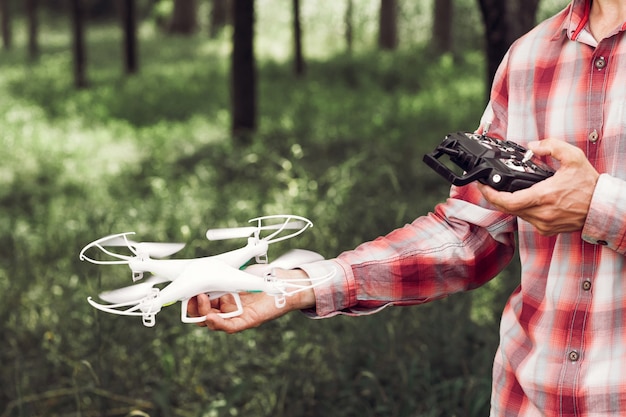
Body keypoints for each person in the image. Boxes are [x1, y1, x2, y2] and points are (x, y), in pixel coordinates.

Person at [188, 0, 626, 414]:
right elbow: (470, 235)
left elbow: (593, 206)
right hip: (526, 401)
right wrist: (303, 284)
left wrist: (601, 206)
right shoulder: (528, 57)